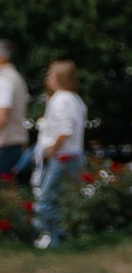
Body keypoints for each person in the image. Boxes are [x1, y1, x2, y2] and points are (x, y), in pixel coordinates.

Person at [31, 61, 87, 251]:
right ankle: (66, 235)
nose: (48, 79)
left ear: (59, 78)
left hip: (62, 156)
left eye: (50, 75)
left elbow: (65, 129)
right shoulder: (75, 99)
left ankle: (52, 237)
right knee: (66, 198)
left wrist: (52, 150)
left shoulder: (62, 99)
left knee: (47, 197)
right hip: (72, 155)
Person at [0, 40, 28, 182]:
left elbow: (2, 116)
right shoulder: (16, 77)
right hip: (14, 143)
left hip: (5, 144)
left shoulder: (4, 80)